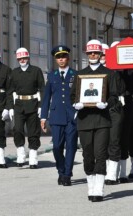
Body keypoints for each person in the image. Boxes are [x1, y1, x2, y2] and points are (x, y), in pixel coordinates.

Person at [70, 39, 119, 202]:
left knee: (100, 153)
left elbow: (114, 96)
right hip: (84, 120)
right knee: (88, 155)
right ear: (87, 54)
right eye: (90, 53)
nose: (93, 55)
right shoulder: (79, 74)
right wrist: (75, 104)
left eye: (96, 53)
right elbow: (72, 95)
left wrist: (106, 103)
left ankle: (99, 188)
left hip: (102, 120)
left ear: (100, 54)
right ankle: (91, 185)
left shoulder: (109, 73)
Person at [41, 45, 78, 186]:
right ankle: (61, 170)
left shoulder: (75, 75)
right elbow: (46, 98)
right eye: (58, 57)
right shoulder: (52, 76)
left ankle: (67, 174)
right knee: (57, 146)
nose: (61, 59)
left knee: (71, 147)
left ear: (68, 58)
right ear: (56, 60)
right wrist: (43, 117)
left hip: (72, 117)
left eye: (63, 56)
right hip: (56, 116)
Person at [7, 47, 45, 169]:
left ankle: (33, 157)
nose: (22, 60)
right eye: (20, 58)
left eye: (24, 58)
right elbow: (9, 91)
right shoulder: (14, 72)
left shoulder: (36, 71)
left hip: (33, 104)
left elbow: (42, 89)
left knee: (33, 131)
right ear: (17, 59)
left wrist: (41, 106)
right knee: (17, 129)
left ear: (28, 58)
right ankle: (21, 154)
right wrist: (10, 107)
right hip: (18, 105)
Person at [100, 42, 127, 185]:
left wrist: (118, 70)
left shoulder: (115, 72)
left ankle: (112, 174)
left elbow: (121, 89)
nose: (102, 57)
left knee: (114, 141)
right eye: (101, 55)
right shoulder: (94, 71)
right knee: (101, 143)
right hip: (98, 112)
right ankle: (103, 171)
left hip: (114, 110)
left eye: (105, 55)